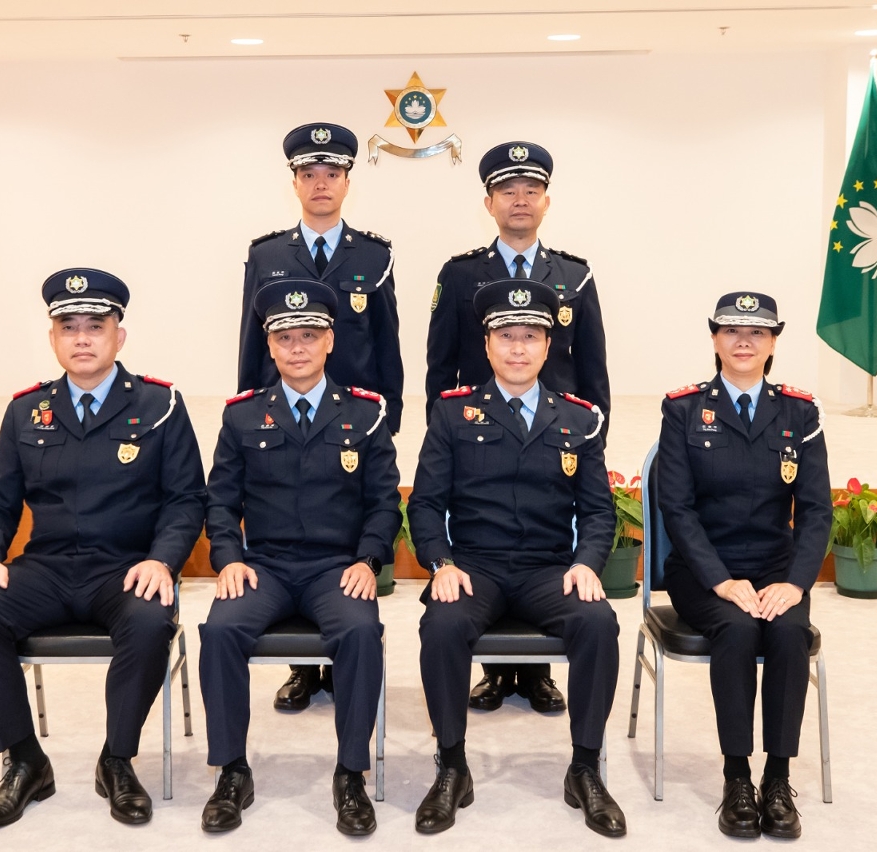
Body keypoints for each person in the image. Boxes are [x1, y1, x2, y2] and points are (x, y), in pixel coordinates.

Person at [0, 268, 207, 829]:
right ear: (53, 339)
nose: (82, 338)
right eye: (69, 327)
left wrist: (162, 560)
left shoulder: (159, 405)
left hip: (126, 568)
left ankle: (117, 760)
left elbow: (186, 499)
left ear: (119, 336)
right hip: (47, 567)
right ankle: (25, 760)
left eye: (95, 326)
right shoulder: (27, 410)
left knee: (149, 621)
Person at [409, 279, 625, 838]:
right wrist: (440, 564)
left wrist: (586, 563)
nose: (518, 348)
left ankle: (585, 768)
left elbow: (598, 510)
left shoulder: (578, 420)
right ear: (486, 345)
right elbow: (426, 504)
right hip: (474, 567)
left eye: (530, 336)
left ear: (549, 346)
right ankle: (451, 766)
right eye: (506, 336)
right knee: (441, 624)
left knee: (598, 622)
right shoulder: (453, 414)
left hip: (547, 569)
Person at [198, 278, 401, 837]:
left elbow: (384, 502)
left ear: (330, 340)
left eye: (309, 335)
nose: (297, 347)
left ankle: (350, 774)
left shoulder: (365, 414)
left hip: (336, 569)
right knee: (220, 630)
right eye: (284, 337)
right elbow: (220, 501)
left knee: (360, 632)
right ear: (269, 345)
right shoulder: (242, 417)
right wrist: (229, 558)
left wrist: (368, 560)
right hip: (263, 567)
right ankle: (231, 771)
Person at [425, 141, 612, 716]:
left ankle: (535, 676)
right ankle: (495, 672)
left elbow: (593, 370)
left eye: (532, 190)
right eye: (508, 191)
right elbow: (440, 366)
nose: (521, 200)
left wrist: (589, 445)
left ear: (547, 201)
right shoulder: (460, 275)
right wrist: (446, 435)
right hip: (478, 431)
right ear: (490, 203)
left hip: (556, 434)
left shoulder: (574, 275)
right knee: (486, 543)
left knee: (542, 540)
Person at [239, 122, 405, 711]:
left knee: (346, 536)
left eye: (331, 174)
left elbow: (387, 343)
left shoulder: (374, 255)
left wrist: (388, 419)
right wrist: (250, 414)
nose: (320, 184)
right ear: (295, 183)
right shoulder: (267, 255)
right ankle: (304, 671)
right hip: (283, 421)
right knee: (288, 528)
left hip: (354, 425)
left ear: (347, 182)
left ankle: (343, 657)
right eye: (309, 174)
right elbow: (252, 345)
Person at [656, 292, 831, 840]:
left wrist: (796, 584)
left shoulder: (799, 412)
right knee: (735, 630)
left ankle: (777, 779)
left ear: (773, 343)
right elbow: (676, 509)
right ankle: (736, 779)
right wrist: (721, 580)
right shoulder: (683, 409)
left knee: (788, 634)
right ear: (715, 339)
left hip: (776, 570)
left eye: (757, 332)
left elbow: (817, 510)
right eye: (731, 330)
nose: (744, 341)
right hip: (702, 569)